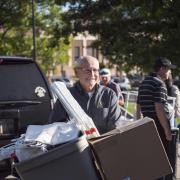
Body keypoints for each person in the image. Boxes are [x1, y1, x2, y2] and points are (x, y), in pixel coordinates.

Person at [49, 55, 122, 134]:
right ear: (76, 72)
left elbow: (115, 127)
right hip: (76, 145)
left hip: (103, 144)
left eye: (95, 70)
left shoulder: (109, 95)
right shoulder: (66, 97)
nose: (92, 74)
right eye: (87, 70)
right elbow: (55, 127)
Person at [136, 57, 176, 180]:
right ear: (162, 69)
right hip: (158, 125)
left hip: (146, 125)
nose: (170, 72)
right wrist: (167, 131)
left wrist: (140, 124)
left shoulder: (145, 82)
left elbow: (138, 106)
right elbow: (159, 108)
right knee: (162, 161)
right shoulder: (159, 84)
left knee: (151, 160)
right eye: (169, 69)